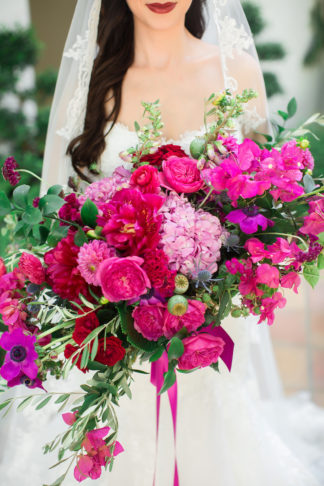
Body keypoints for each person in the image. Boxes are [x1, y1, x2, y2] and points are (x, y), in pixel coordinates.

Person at [0, 1, 323, 485]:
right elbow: (65, 223)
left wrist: (225, 279)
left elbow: (261, 202)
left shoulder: (236, 74)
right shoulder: (96, 82)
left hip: (207, 337)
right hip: (113, 335)